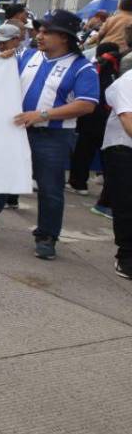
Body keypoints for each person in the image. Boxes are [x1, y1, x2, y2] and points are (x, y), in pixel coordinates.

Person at [0, 10, 99, 259]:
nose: (37, 36)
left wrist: (43, 115)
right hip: (18, 130)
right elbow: (0, 67)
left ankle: (47, 236)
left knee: (50, 188)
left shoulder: (82, 67)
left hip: (53, 136)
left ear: (64, 37)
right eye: (39, 31)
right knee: (2, 177)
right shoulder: (28, 55)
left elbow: (87, 104)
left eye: (45, 32)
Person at [66, 42, 121, 195]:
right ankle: (108, 188)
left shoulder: (95, 67)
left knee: (84, 150)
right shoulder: (118, 67)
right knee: (107, 153)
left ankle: (78, 183)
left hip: (91, 114)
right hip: (110, 116)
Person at [100, 61, 132, 279]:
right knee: (126, 205)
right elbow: (127, 117)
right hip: (122, 149)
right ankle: (126, 256)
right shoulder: (128, 81)